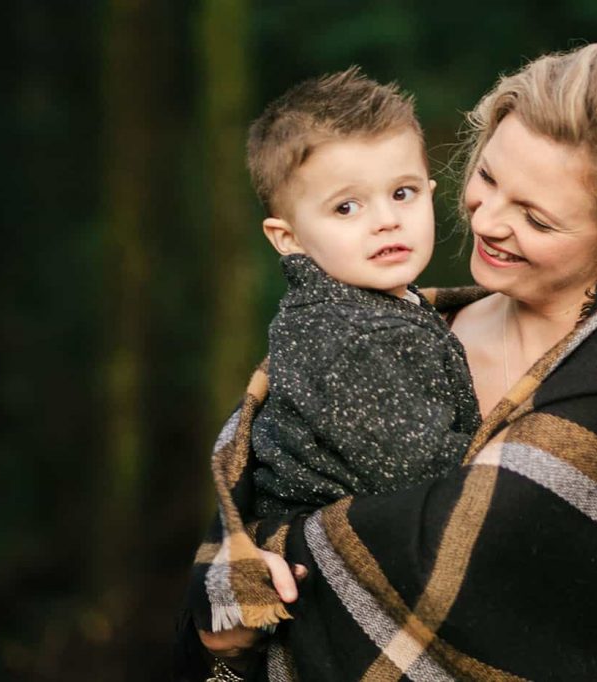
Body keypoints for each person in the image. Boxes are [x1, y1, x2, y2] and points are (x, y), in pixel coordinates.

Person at [186, 41, 597, 681]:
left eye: (537, 218)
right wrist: (222, 613)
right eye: (489, 178)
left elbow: (471, 553)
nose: (488, 220)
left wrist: (275, 550)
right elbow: (231, 560)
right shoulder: (396, 329)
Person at [185, 68, 481, 648]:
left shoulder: (381, 304)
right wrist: (522, 451)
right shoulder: (348, 334)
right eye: (347, 208)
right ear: (287, 236)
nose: (386, 219)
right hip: (328, 583)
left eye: (403, 193)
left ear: (429, 189)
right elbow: (424, 480)